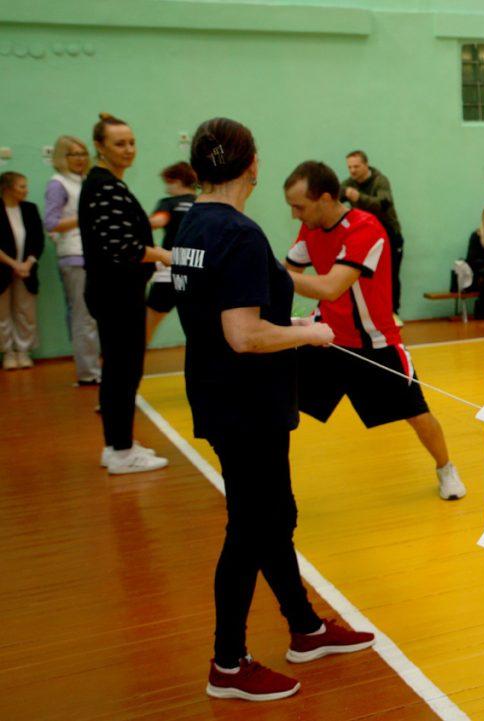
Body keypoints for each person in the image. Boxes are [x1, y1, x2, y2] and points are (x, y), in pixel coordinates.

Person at [172, 119, 376, 703]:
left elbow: (225, 321)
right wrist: (307, 335)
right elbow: (242, 334)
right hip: (244, 403)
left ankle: (305, 628)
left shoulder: (193, 223)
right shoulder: (237, 232)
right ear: (253, 165)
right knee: (251, 528)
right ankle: (229, 663)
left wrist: (287, 328)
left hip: (221, 394)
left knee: (273, 515)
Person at [282, 160, 466, 500]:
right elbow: (287, 273)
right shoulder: (309, 230)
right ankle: (271, 481)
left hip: (375, 344)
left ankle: (445, 467)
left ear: (324, 199)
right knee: (279, 402)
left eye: (299, 206)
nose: (295, 214)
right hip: (327, 341)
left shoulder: (365, 228)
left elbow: (330, 287)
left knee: (417, 414)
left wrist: (270, 274)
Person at [79, 113, 171, 474]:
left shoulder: (109, 184)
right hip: (116, 292)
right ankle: (119, 450)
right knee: (122, 370)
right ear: (100, 147)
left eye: (131, 142)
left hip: (119, 290)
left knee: (122, 369)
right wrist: (164, 255)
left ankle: (120, 443)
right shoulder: (103, 186)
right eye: (120, 143)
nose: (129, 149)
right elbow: (121, 246)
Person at [44, 135, 102, 384]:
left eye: (82, 153)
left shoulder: (85, 181)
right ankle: (88, 373)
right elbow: (51, 222)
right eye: (73, 154)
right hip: (74, 255)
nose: (80, 159)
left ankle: (92, 367)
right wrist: (86, 216)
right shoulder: (57, 184)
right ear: (61, 157)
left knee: (92, 316)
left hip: (91, 254)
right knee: (83, 317)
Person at [340, 151, 404, 318]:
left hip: (390, 235)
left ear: (366, 165)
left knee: (391, 275)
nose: (352, 170)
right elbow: (333, 200)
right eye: (349, 167)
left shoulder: (380, 180)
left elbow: (383, 204)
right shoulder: (348, 184)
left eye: (356, 166)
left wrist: (358, 197)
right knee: (364, 277)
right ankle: (368, 314)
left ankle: (392, 313)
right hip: (367, 238)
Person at [146, 162, 197, 343]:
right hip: (198, 271)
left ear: (177, 181)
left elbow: (158, 221)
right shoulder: (202, 204)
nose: (167, 188)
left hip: (170, 271)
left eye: (168, 182)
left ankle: (128, 364)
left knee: (147, 324)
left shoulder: (168, 203)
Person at [0, 172, 44, 370]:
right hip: (3, 268)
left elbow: (37, 240)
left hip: (26, 270)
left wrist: (27, 263)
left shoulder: (30, 209)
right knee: (2, 314)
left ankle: (24, 351)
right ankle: (8, 352)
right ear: (7, 188)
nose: (26, 190)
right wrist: (12, 264)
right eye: (21, 186)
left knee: (26, 312)